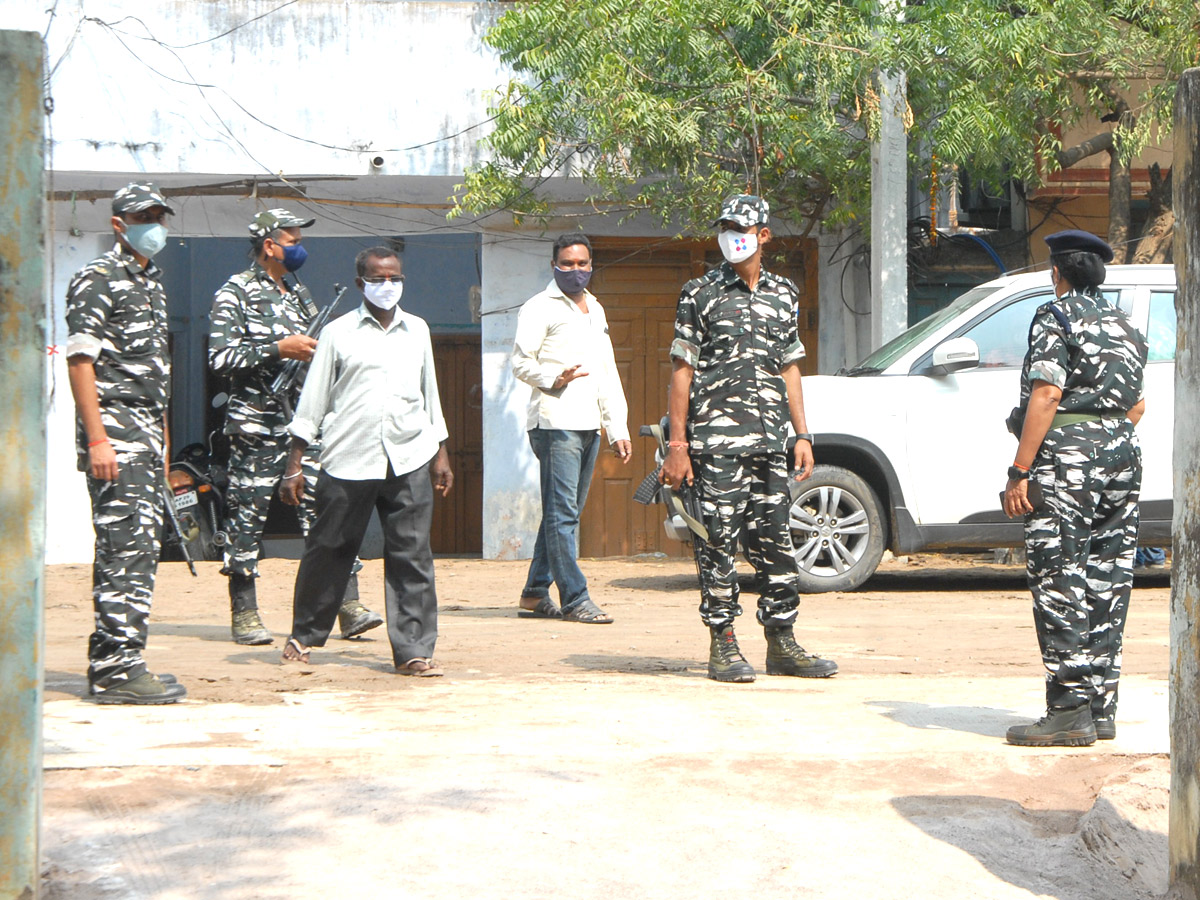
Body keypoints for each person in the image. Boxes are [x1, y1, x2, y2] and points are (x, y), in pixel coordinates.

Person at [660, 194, 838, 684]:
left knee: (777, 542)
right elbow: (682, 371)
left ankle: (782, 642)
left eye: (741, 227)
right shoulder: (699, 293)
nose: (730, 236)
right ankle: (724, 645)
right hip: (716, 444)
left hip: (769, 442)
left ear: (763, 235)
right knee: (717, 542)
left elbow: (790, 367)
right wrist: (678, 447)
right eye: (724, 227)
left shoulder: (784, 292)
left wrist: (802, 434)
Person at [209, 209, 382, 645]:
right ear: (269, 245)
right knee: (247, 519)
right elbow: (219, 359)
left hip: (303, 426)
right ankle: (245, 613)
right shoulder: (235, 293)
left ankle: (347, 606)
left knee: (328, 515)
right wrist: (277, 349)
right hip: (256, 427)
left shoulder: (298, 292)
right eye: (292, 239)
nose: (299, 246)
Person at [1003, 229, 1148, 747]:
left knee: (1059, 576)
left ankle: (1067, 708)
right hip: (1122, 453)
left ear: (1057, 273)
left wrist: (1020, 470)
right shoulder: (1126, 326)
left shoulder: (1056, 315)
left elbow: (1046, 392)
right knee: (1107, 578)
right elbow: (1137, 406)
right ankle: (1100, 707)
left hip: (1069, 459)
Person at [280, 246, 453, 675]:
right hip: (348, 456)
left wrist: (441, 454)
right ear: (361, 284)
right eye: (377, 279)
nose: (387, 286)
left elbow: (430, 394)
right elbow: (313, 400)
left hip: (410, 454)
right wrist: (295, 462)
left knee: (412, 556)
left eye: (394, 278)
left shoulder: (418, 330)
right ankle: (304, 635)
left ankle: (413, 650)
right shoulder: (339, 333)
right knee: (330, 548)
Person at [65, 182, 186, 704]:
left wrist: (161, 440)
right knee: (123, 551)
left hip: (142, 434)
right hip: (113, 435)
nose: (154, 225)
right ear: (119, 223)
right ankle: (118, 671)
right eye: (144, 216)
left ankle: (118, 660)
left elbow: (154, 372)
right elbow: (80, 361)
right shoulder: (97, 279)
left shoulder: (152, 282)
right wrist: (98, 440)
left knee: (138, 550)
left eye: (160, 215)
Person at [511, 234, 632, 623]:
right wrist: (553, 377)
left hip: (589, 424)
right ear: (554, 266)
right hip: (554, 423)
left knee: (564, 514)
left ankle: (533, 594)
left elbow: (607, 370)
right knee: (563, 515)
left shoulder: (595, 308)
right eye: (567, 263)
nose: (575, 271)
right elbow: (519, 362)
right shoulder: (538, 307)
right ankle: (576, 598)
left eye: (582, 264)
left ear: (591, 266)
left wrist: (618, 427)